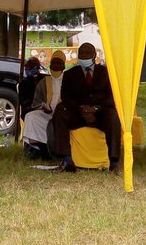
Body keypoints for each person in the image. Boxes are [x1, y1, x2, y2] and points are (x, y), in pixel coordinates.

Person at [50, 42, 121, 173]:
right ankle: (67, 160)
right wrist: (81, 109)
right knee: (60, 111)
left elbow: (112, 97)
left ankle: (114, 162)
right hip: (78, 112)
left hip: (100, 113)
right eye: (81, 53)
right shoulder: (70, 74)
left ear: (94, 55)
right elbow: (66, 97)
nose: (83, 56)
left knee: (113, 116)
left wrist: (95, 108)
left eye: (87, 53)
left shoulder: (106, 73)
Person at [21, 51, 65, 157]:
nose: (55, 66)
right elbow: (37, 101)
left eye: (58, 63)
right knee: (31, 116)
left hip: (64, 114)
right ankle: (39, 148)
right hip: (48, 113)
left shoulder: (69, 80)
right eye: (53, 63)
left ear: (63, 66)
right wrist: (43, 107)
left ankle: (53, 149)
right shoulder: (44, 81)